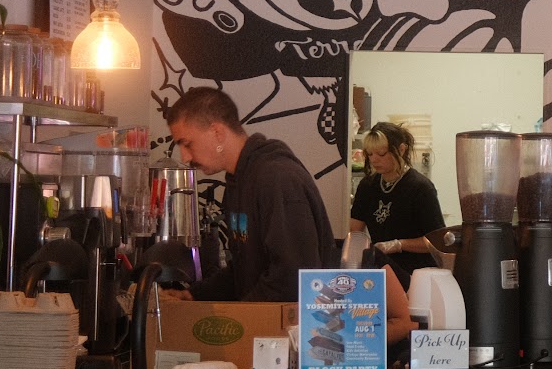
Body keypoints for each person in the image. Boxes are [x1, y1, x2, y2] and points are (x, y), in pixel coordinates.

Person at [165, 87, 339, 302]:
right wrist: (192, 295)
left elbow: (292, 279)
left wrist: (237, 315)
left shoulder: (277, 178)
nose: (184, 157)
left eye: (187, 144)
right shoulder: (238, 181)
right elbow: (243, 270)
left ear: (217, 132)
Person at [349, 121, 444, 290]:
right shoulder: (367, 186)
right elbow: (355, 231)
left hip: (416, 275)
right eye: (370, 154)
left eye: (382, 153)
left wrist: (398, 244)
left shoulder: (420, 188)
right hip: (381, 272)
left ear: (401, 149)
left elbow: (436, 241)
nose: (374, 159)